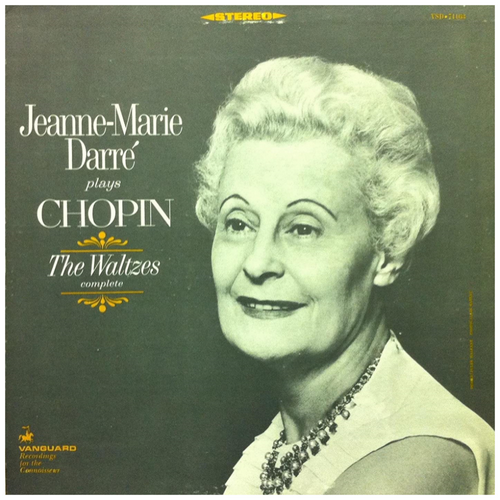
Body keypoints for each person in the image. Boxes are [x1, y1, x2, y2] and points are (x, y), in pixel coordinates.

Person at [194, 57, 494, 495]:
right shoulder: (285, 442)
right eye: (238, 223)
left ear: (388, 250)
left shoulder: (411, 464)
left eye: (303, 228)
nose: (257, 264)